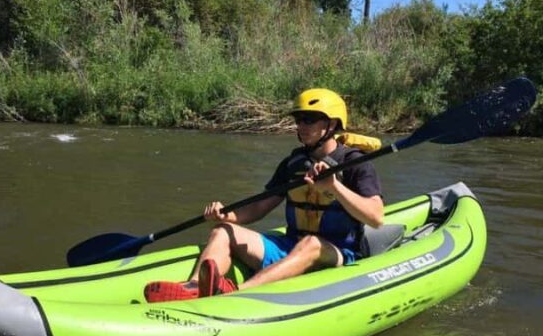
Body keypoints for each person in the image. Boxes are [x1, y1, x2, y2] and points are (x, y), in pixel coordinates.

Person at [143, 88, 384, 302]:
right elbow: (259, 207)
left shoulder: (356, 164)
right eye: (298, 119)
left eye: (309, 119)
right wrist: (226, 215)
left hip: (339, 252)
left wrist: (334, 187)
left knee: (311, 244)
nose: (301, 126)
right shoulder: (292, 164)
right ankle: (194, 287)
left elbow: (376, 217)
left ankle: (237, 294)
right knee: (223, 230)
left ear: (332, 124)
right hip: (292, 245)